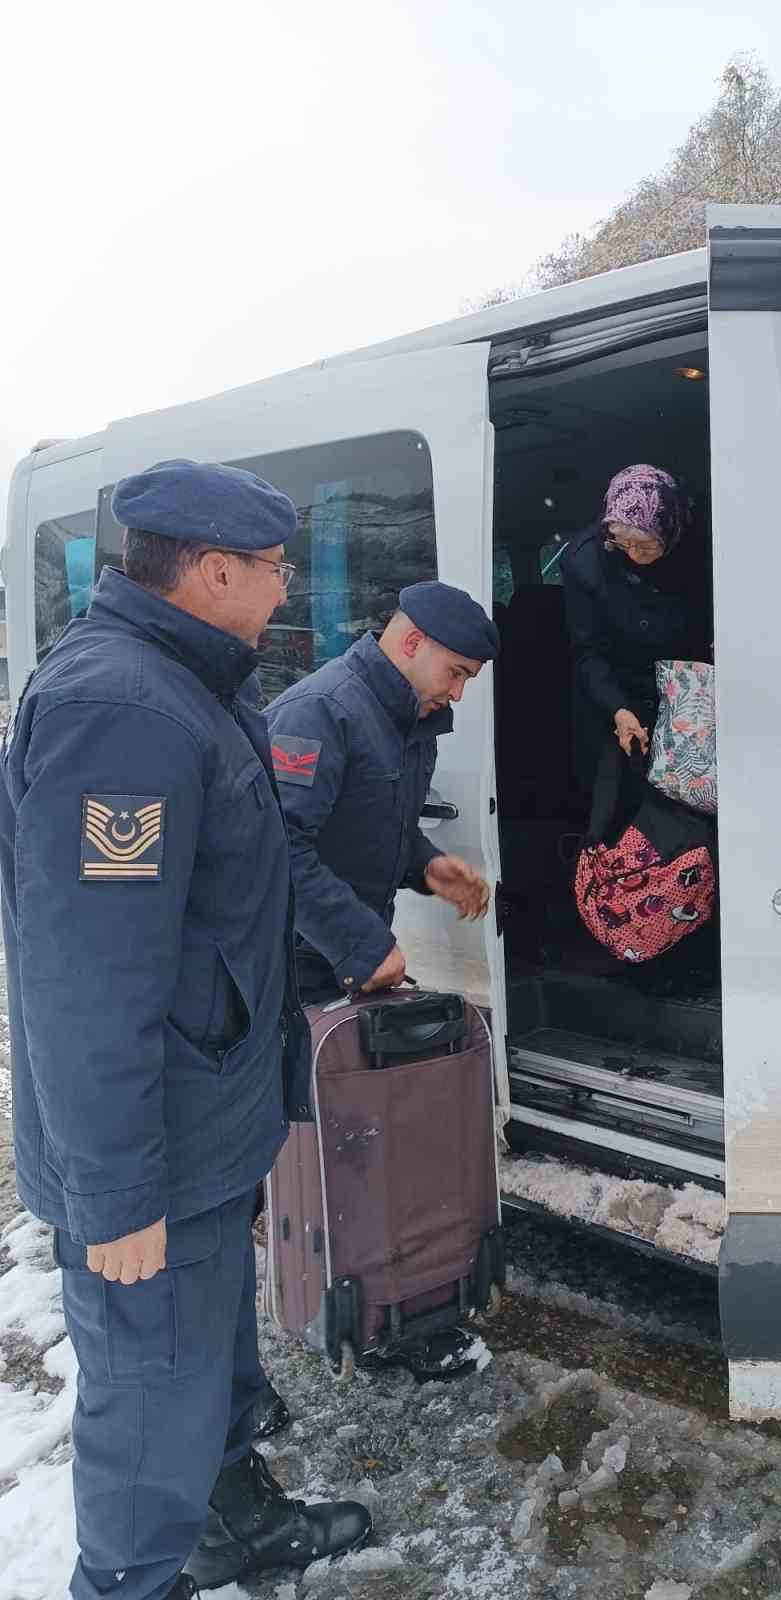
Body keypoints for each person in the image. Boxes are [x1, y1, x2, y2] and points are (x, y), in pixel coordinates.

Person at [0, 459, 372, 1600]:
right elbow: (88, 977)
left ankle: (230, 1520)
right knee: (149, 1386)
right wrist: (115, 1192)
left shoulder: (192, 681)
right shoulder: (122, 710)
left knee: (206, 1361)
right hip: (147, 1158)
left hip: (203, 1127)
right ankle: (133, 1579)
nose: (283, 590)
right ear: (211, 573)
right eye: (270, 569)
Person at [264, 581, 499, 1003]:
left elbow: (370, 819)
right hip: (289, 962)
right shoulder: (321, 711)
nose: (459, 694)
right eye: (456, 672)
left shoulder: (414, 717)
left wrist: (425, 864)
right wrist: (358, 943)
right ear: (412, 642)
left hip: (337, 959)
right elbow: (276, 849)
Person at [559, 464, 709, 793]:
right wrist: (618, 709)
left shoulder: (704, 551)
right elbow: (588, 651)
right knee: (614, 795)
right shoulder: (584, 562)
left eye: (645, 545)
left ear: (670, 530)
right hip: (614, 693)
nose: (633, 554)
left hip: (689, 692)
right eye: (622, 543)